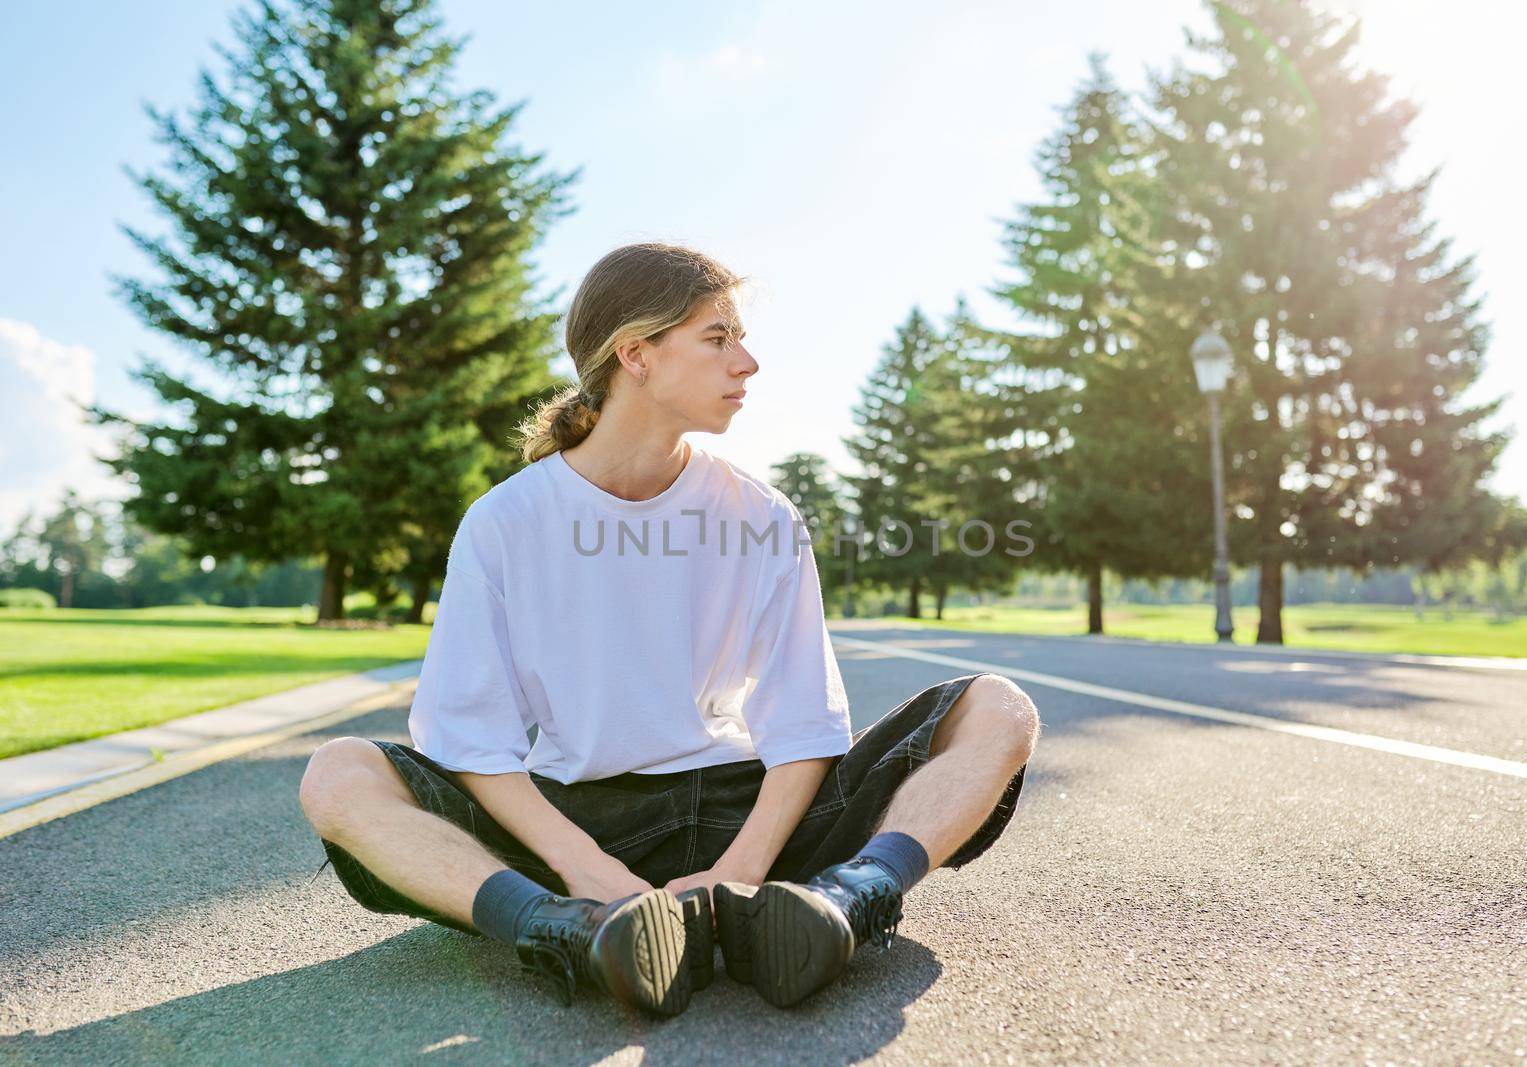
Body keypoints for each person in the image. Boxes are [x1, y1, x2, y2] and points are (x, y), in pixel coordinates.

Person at [297, 242, 1039, 1017]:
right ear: (635, 354)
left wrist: (743, 866)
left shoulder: (762, 517)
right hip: (572, 820)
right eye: (718, 338)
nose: (746, 362)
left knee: (999, 708)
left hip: (750, 814)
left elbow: (802, 726)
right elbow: (469, 738)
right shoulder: (505, 524)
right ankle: (565, 926)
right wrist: (581, 866)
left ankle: (848, 901)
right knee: (338, 772)